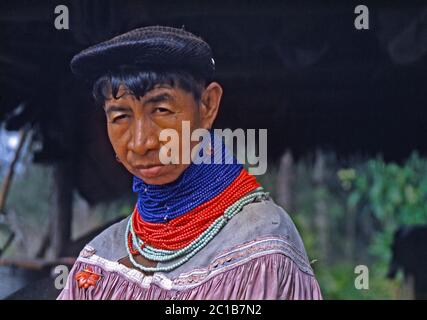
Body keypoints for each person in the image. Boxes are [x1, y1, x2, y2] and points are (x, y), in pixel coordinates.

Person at [57, 25, 322, 300]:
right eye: (120, 116)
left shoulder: (261, 241)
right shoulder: (99, 260)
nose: (140, 143)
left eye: (161, 110)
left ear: (207, 105)